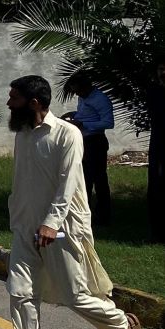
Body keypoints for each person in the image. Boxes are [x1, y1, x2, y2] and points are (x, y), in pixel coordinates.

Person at [5, 75, 141, 329]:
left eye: (14, 98)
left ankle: (122, 324)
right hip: (24, 224)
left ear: (33, 103)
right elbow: (22, 179)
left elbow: (68, 183)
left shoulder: (67, 134)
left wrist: (50, 224)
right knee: (20, 292)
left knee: (75, 295)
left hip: (60, 228)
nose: (9, 103)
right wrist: (17, 213)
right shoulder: (22, 135)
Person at [64, 73, 115, 226]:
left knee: (98, 179)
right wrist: (74, 115)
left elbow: (108, 122)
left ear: (86, 86)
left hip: (95, 141)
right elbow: (86, 115)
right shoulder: (83, 98)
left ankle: (103, 215)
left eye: (78, 90)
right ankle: (83, 213)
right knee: (83, 178)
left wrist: (83, 125)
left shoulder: (100, 99)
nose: (77, 94)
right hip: (83, 140)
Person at [145, 60, 165, 243]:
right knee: (156, 183)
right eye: (160, 68)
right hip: (158, 142)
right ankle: (156, 229)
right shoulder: (153, 90)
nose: (163, 72)